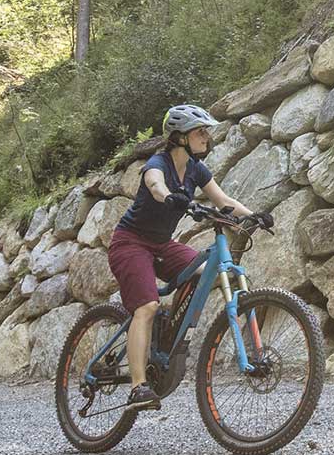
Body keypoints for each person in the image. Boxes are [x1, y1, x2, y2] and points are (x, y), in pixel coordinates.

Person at [104, 103, 266, 413]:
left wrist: (255, 216)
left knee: (205, 272)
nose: (207, 137)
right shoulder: (158, 162)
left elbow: (223, 201)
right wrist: (169, 196)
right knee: (147, 306)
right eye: (200, 132)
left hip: (162, 245)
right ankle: (138, 386)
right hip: (130, 243)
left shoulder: (195, 168)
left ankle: (168, 337)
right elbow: (154, 184)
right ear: (180, 137)